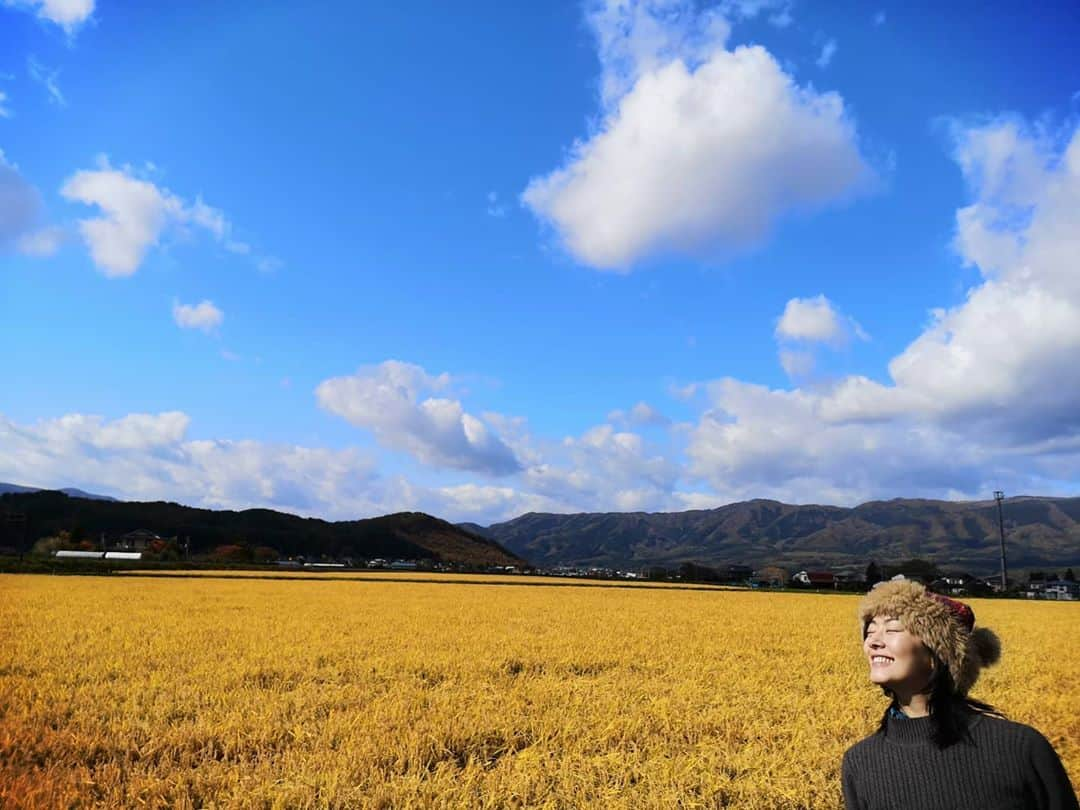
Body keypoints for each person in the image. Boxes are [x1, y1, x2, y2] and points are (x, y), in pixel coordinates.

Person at [841, 578, 1078, 810]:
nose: (873, 642)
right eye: (870, 632)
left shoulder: (1019, 748)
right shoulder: (861, 762)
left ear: (940, 653)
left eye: (892, 629)